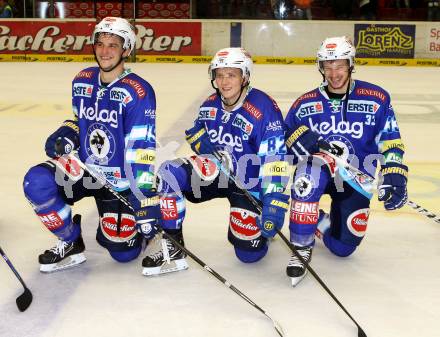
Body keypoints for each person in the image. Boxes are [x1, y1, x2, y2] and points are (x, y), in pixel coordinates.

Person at [23, 17, 160, 273]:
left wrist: (141, 192)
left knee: (123, 253)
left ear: (126, 49)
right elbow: (80, 121)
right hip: (86, 169)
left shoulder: (139, 91)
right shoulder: (82, 80)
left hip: (121, 180)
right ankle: (70, 240)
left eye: (113, 45)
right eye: (100, 43)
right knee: (37, 181)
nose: (105, 51)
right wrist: (66, 134)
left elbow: (142, 145)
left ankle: (147, 226)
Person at [141, 47, 290, 276]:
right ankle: (174, 245)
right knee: (169, 172)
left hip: (249, 183)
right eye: (219, 75)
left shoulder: (263, 108)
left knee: (249, 255)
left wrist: (273, 201)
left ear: (245, 77)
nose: (224, 82)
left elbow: (275, 159)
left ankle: (259, 223)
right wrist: (202, 143)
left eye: (231, 75)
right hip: (219, 171)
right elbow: (197, 130)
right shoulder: (211, 104)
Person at [284, 36, 408, 286]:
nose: (333, 73)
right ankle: (300, 245)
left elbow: (391, 140)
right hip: (320, 171)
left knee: (342, 248)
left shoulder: (377, 98)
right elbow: (282, 140)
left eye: (339, 65)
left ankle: (314, 219)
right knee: (309, 175)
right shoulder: (305, 103)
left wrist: (395, 173)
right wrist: (297, 139)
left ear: (351, 64)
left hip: (356, 177)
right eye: (327, 67)